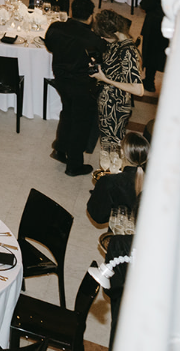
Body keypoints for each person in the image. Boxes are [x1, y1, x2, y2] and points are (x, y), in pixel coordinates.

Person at [86, 131, 148, 345]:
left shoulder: (111, 182)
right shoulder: (157, 182)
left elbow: (97, 214)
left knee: (120, 312)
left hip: (125, 250)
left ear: (123, 154)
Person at [44, 0, 105, 176]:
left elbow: (49, 46)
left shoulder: (55, 28)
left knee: (68, 112)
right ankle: (74, 165)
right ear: (90, 16)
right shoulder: (94, 39)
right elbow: (99, 62)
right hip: (82, 86)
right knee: (80, 122)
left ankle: (60, 149)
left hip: (61, 80)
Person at [93, 10, 145, 150]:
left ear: (114, 33)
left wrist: (105, 79)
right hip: (109, 102)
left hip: (115, 105)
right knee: (107, 144)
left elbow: (138, 90)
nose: (103, 39)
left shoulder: (127, 51)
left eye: (104, 36)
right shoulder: (117, 42)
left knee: (112, 146)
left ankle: (112, 171)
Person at [139, 0, 176, 91]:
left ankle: (149, 81)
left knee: (151, 53)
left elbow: (145, 5)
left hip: (154, 25)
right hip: (175, 26)